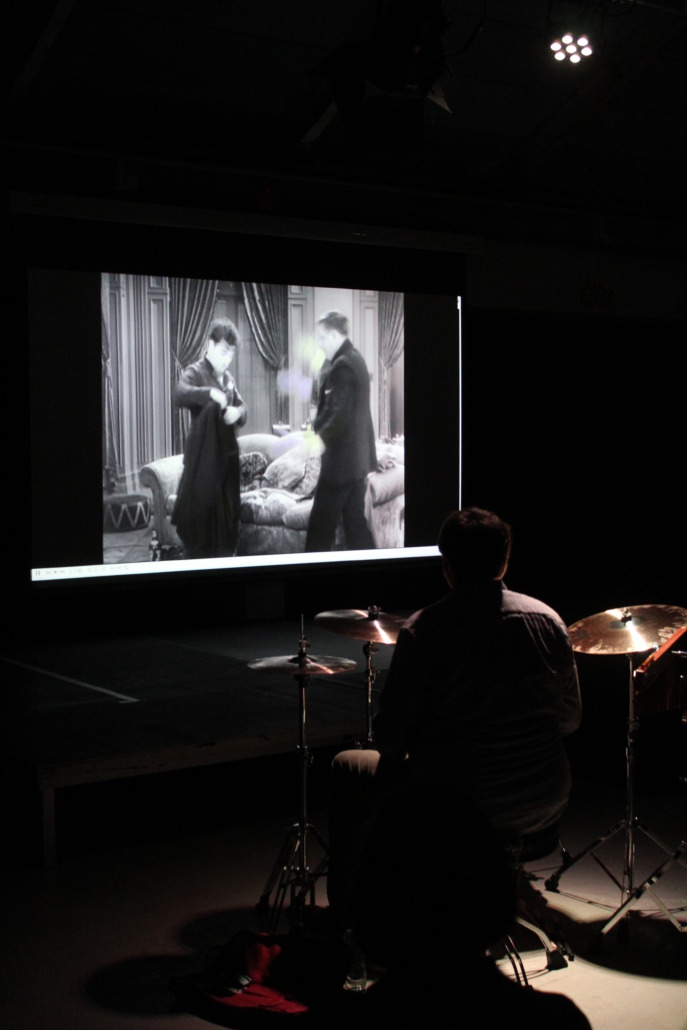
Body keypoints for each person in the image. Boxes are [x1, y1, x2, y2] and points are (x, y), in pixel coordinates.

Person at [327, 506, 582, 929]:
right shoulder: (549, 622)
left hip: (455, 808)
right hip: (541, 807)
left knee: (347, 767)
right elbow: (570, 720)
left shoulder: (424, 630)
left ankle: (354, 923)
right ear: (504, 560)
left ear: (446, 565)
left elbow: (391, 739)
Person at [172, 319, 247, 558]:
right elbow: (180, 393)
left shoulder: (229, 379)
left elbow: (243, 407)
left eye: (231, 354)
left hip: (225, 463)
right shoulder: (195, 371)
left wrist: (237, 412)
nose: (227, 359)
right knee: (202, 531)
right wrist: (210, 393)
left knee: (226, 528)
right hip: (202, 464)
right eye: (224, 352)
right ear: (210, 345)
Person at [305, 311, 377, 552]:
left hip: (340, 467)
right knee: (356, 529)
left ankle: (309, 574)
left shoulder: (342, 366)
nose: (320, 344)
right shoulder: (357, 360)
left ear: (335, 336)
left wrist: (319, 438)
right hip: (357, 465)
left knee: (318, 531)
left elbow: (339, 414)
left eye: (322, 338)